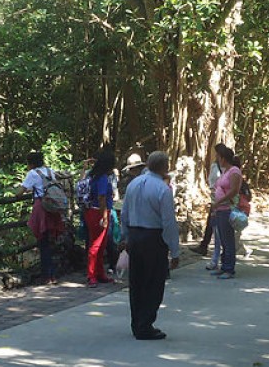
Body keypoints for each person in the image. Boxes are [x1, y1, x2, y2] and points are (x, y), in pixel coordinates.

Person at [120, 151, 181, 340]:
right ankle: (145, 324)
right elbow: (169, 222)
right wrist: (175, 250)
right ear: (164, 167)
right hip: (153, 237)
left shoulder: (133, 184)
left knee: (136, 282)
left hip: (135, 236)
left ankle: (137, 322)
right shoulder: (162, 189)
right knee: (153, 282)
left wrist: (125, 237)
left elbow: (124, 213)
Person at [18, 151, 65, 285]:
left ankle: (47, 275)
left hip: (42, 207)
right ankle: (53, 274)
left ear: (30, 163)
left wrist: (18, 192)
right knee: (51, 242)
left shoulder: (32, 174)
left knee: (43, 241)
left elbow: (20, 191)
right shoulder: (50, 171)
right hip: (53, 208)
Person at [85, 149, 116, 287]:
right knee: (96, 245)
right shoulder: (102, 178)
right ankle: (91, 274)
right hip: (99, 212)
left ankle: (99, 273)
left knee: (101, 244)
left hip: (92, 211)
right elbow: (101, 197)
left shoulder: (94, 176)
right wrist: (104, 216)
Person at [210, 146, 242, 279]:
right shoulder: (225, 171)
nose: (217, 159)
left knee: (228, 240)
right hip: (220, 209)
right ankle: (224, 265)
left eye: (218, 157)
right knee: (222, 239)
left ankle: (229, 268)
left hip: (227, 209)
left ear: (223, 158)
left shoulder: (234, 171)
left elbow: (234, 190)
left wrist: (219, 201)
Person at [190, 143, 226, 256]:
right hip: (219, 196)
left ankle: (210, 247)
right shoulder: (226, 166)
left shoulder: (219, 166)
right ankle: (205, 245)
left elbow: (213, 180)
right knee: (213, 221)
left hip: (219, 197)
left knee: (215, 222)